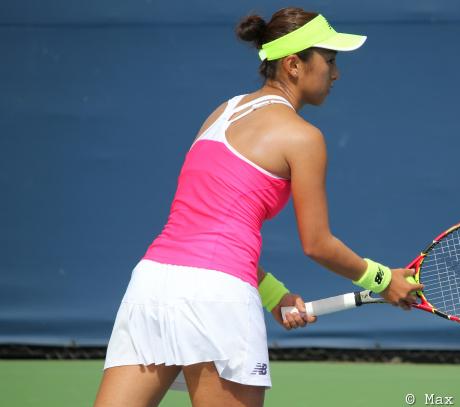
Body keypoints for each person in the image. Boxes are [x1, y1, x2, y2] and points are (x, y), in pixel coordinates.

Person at [94, 7, 423, 407]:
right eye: (330, 61)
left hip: (151, 285)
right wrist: (382, 279)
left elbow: (202, 230)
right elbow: (317, 244)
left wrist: (273, 296)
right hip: (219, 300)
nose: (336, 74)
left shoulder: (223, 110)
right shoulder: (303, 137)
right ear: (293, 65)